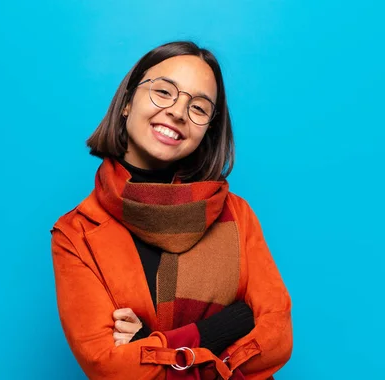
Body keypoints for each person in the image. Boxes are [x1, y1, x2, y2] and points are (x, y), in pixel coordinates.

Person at [51, 41, 292, 380]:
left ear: (208, 129)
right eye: (164, 92)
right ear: (128, 101)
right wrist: (229, 325)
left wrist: (151, 344)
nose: (178, 112)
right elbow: (108, 366)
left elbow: (277, 337)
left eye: (199, 107)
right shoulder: (76, 233)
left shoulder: (236, 214)